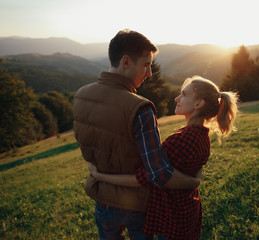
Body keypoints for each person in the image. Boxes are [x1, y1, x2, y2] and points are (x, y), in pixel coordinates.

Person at [73, 30, 200, 240]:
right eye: (146, 64)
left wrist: (100, 175)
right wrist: (192, 182)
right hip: (136, 208)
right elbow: (158, 173)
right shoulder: (140, 108)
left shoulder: (80, 96)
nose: (150, 73)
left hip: (102, 203)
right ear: (126, 62)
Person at [88, 76, 239, 240]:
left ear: (198, 104)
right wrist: (194, 181)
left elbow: (144, 177)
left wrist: (100, 176)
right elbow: (195, 172)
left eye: (184, 94)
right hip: (186, 210)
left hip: (173, 216)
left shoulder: (183, 139)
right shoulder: (202, 135)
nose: (177, 98)